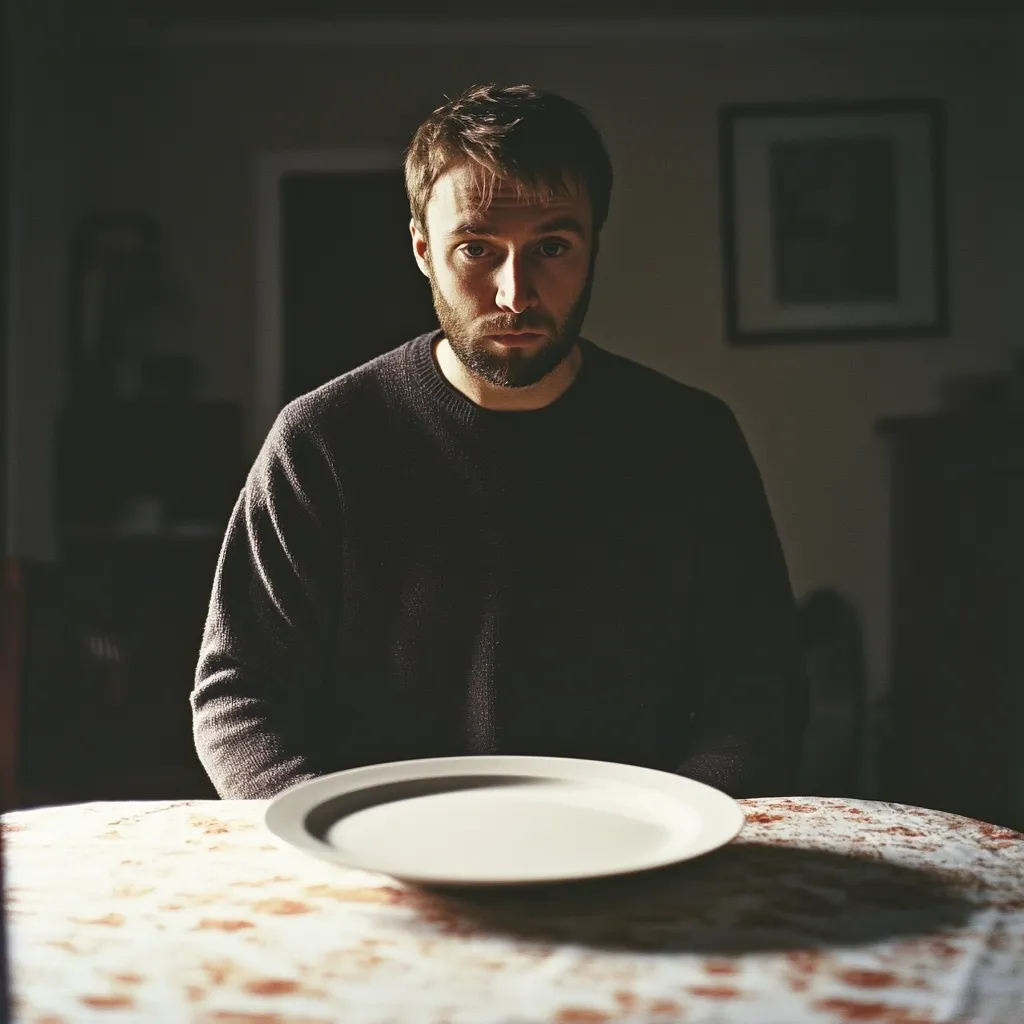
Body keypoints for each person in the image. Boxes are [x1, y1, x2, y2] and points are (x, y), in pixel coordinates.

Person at [191, 83, 808, 801]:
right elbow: (237, 696)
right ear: (423, 250)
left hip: (636, 859)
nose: (515, 293)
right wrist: (337, 834)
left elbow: (760, 696)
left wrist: (674, 832)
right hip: (382, 859)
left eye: (552, 245)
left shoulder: (692, 441)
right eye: (477, 248)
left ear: (594, 244)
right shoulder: (321, 441)